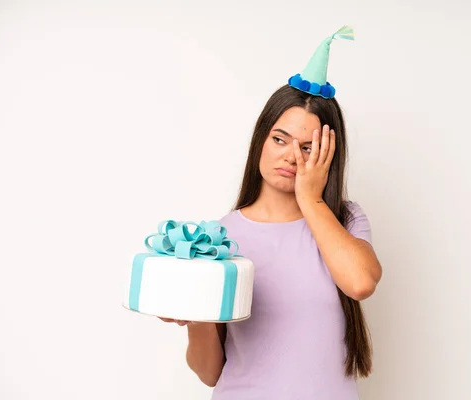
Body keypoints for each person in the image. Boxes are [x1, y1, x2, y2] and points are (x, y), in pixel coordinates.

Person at [160, 26, 382, 399]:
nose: (291, 156)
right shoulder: (218, 239)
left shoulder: (346, 220)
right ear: (261, 139)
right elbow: (210, 373)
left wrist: (311, 201)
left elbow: (360, 282)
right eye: (280, 139)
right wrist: (195, 315)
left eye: (309, 147)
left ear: (330, 156)